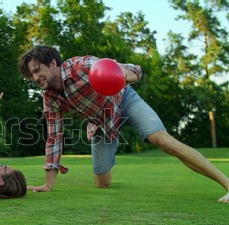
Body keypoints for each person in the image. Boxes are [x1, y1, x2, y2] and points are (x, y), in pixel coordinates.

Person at [18, 45, 229, 203]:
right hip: (101, 123)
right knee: (102, 183)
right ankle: (113, 150)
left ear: (54, 63)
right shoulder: (50, 98)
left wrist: (120, 75)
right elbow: (54, 137)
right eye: (32, 74)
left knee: (163, 141)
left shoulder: (82, 66)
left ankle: (227, 184)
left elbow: (134, 69)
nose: (35, 77)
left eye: (38, 70)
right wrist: (48, 184)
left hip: (124, 101)